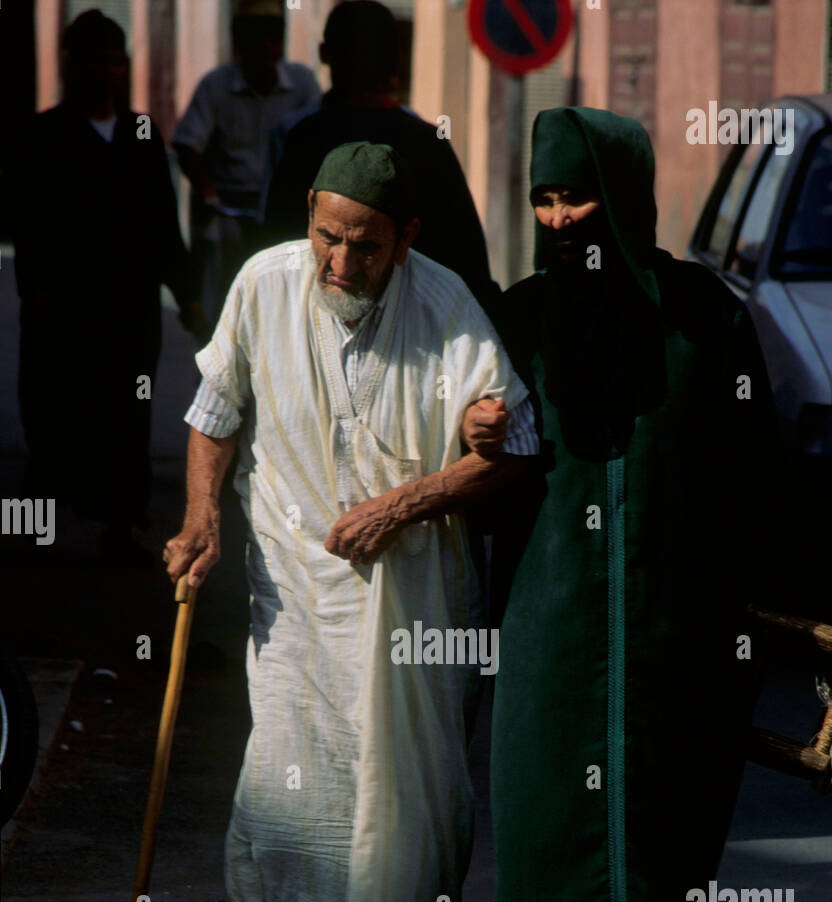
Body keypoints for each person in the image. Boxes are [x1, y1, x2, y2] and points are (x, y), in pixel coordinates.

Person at [163, 142, 538, 902]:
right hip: (292, 583)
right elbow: (216, 411)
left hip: (412, 595)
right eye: (327, 236)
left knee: (401, 780)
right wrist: (202, 517)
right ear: (308, 216)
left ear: (405, 238)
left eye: (364, 246)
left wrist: (411, 499)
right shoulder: (263, 285)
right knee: (309, 776)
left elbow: (514, 453)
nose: (339, 262)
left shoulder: (448, 307)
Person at [468, 107, 786, 902]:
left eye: (582, 197)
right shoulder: (520, 318)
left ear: (627, 200)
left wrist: (748, 612)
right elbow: (480, 447)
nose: (562, 218)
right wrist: (473, 433)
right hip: (548, 612)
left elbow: (755, 471)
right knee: (542, 801)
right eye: (546, 200)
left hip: (677, 616)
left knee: (668, 803)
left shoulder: (708, 317)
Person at [11, 8, 203, 566]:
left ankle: (121, 527)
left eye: (115, 61)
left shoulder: (141, 136)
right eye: (94, 61)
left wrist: (187, 293)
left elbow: (165, 225)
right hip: (63, 312)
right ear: (73, 66)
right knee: (54, 418)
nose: (106, 72)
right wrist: (37, 292)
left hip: (128, 311)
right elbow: (27, 223)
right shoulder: (45, 134)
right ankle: (41, 535)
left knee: (126, 416)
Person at [259, 0, 497, 314]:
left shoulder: (299, 137)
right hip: (412, 329)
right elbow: (467, 264)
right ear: (395, 63)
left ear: (325, 54)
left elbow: (272, 248)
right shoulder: (428, 142)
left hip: (314, 319)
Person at [172, 0, 320, 322]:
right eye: (255, 39)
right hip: (229, 210)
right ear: (240, 46)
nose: (265, 47)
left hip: (282, 208)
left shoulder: (302, 84)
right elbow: (187, 145)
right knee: (222, 292)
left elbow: (318, 139)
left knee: (289, 298)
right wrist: (209, 192)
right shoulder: (216, 86)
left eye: (272, 38)